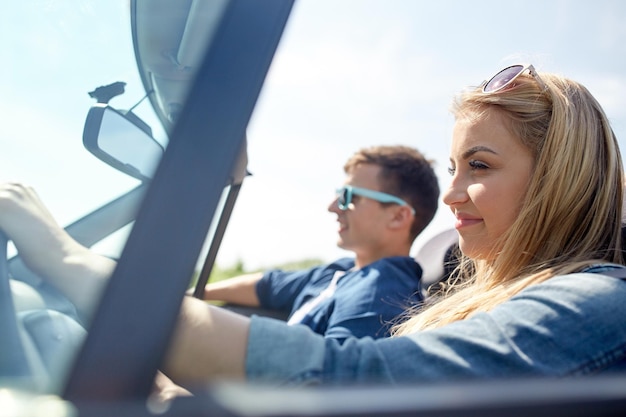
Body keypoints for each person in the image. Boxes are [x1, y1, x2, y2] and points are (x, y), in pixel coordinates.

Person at [2, 64, 626, 391]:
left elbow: (351, 383)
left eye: (481, 166)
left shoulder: (600, 301)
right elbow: (267, 285)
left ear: (559, 178)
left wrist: (70, 262)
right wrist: (191, 300)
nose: (455, 191)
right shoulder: (341, 277)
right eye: (454, 166)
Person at [195, 145, 440, 341]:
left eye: (347, 197)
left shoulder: (381, 290)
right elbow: (267, 285)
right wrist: (190, 296)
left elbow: (332, 381)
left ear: (398, 216)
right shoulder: (343, 270)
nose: (332, 206)